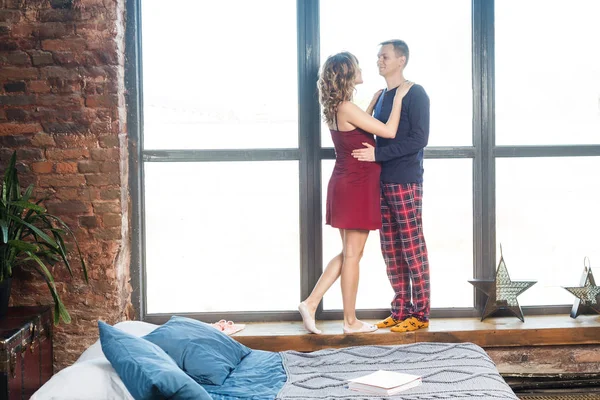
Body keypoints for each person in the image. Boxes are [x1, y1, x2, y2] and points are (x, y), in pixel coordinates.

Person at [298, 51, 413, 334]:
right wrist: (397, 99)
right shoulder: (347, 108)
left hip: (346, 184)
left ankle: (311, 303)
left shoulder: (340, 107)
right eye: (357, 66)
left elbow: (359, 126)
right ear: (348, 74)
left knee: (349, 253)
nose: (364, 68)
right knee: (352, 254)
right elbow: (388, 131)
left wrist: (372, 104)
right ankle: (349, 322)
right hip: (356, 186)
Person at [352, 39, 431, 333]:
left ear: (402, 60)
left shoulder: (415, 93)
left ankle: (420, 314)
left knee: (412, 248)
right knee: (391, 249)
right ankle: (400, 310)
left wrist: (379, 154)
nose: (379, 61)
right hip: (381, 182)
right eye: (377, 57)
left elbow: (418, 139)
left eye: (384, 56)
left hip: (406, 180)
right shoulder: (384, 96)